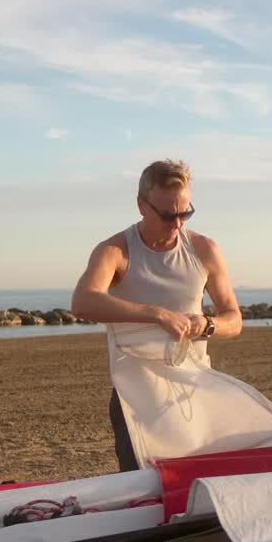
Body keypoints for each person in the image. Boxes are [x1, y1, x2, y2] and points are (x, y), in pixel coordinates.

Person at [71, 159, 242, 472]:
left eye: (185, 212)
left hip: (193, 392)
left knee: (197, 484)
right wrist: (157, 315)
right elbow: (83, 302)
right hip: (134, 399)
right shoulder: (115, 250)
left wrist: (207, 325)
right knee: (143, 492)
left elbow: (233, 319)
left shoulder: (204, 249)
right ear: (141, 206)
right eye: (167, 214)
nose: (177, 223)